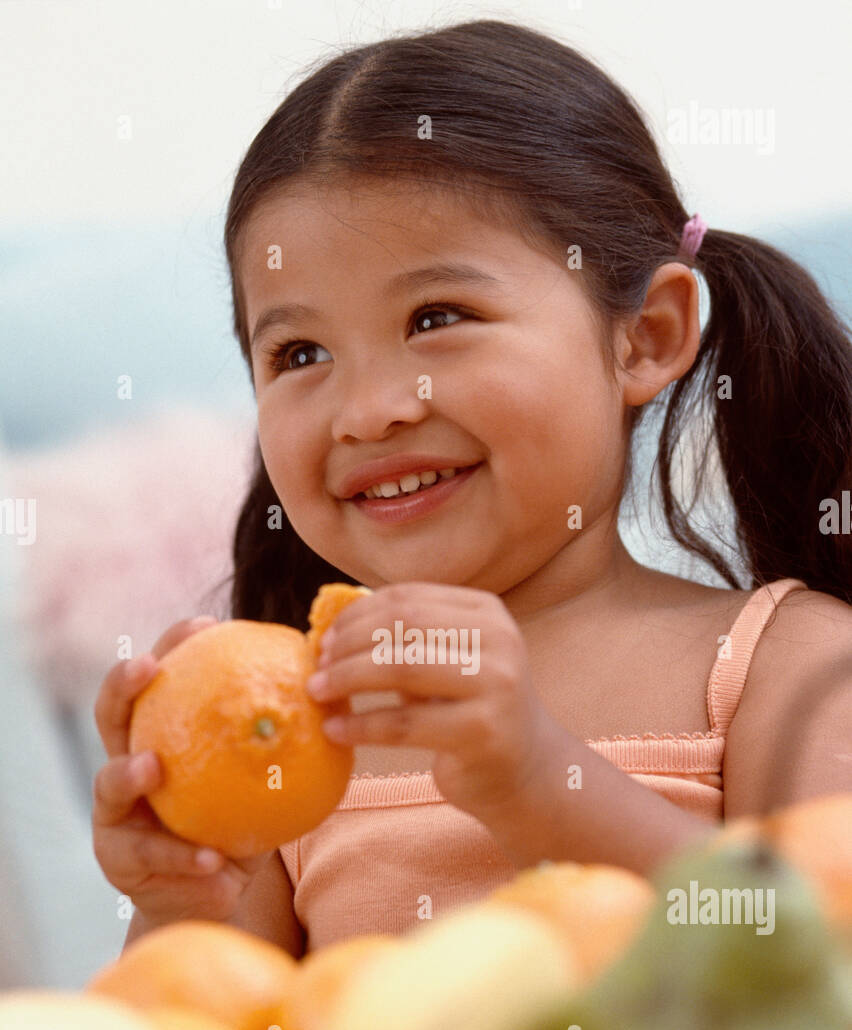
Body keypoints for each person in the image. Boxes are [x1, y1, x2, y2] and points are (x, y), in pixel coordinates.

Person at [92, 20, 852, 959]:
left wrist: (542, 784)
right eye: (300, 353)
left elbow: (819, 966)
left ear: (646, 336)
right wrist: (180, 900)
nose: (367, 412)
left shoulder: (784, 665)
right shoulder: (293, 729)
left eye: (437, 316)